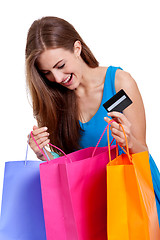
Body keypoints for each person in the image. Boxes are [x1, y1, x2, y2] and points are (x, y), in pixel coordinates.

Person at [25, 16, 159, 222]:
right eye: (47, 73)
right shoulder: (54, 100)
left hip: (132, 200)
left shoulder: (119, 83)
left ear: (77, 48)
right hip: (89, 207)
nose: (58, 78)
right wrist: (44, 153)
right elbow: (68, 168)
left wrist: (129, 142)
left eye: (60, 65)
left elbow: (142, 154)